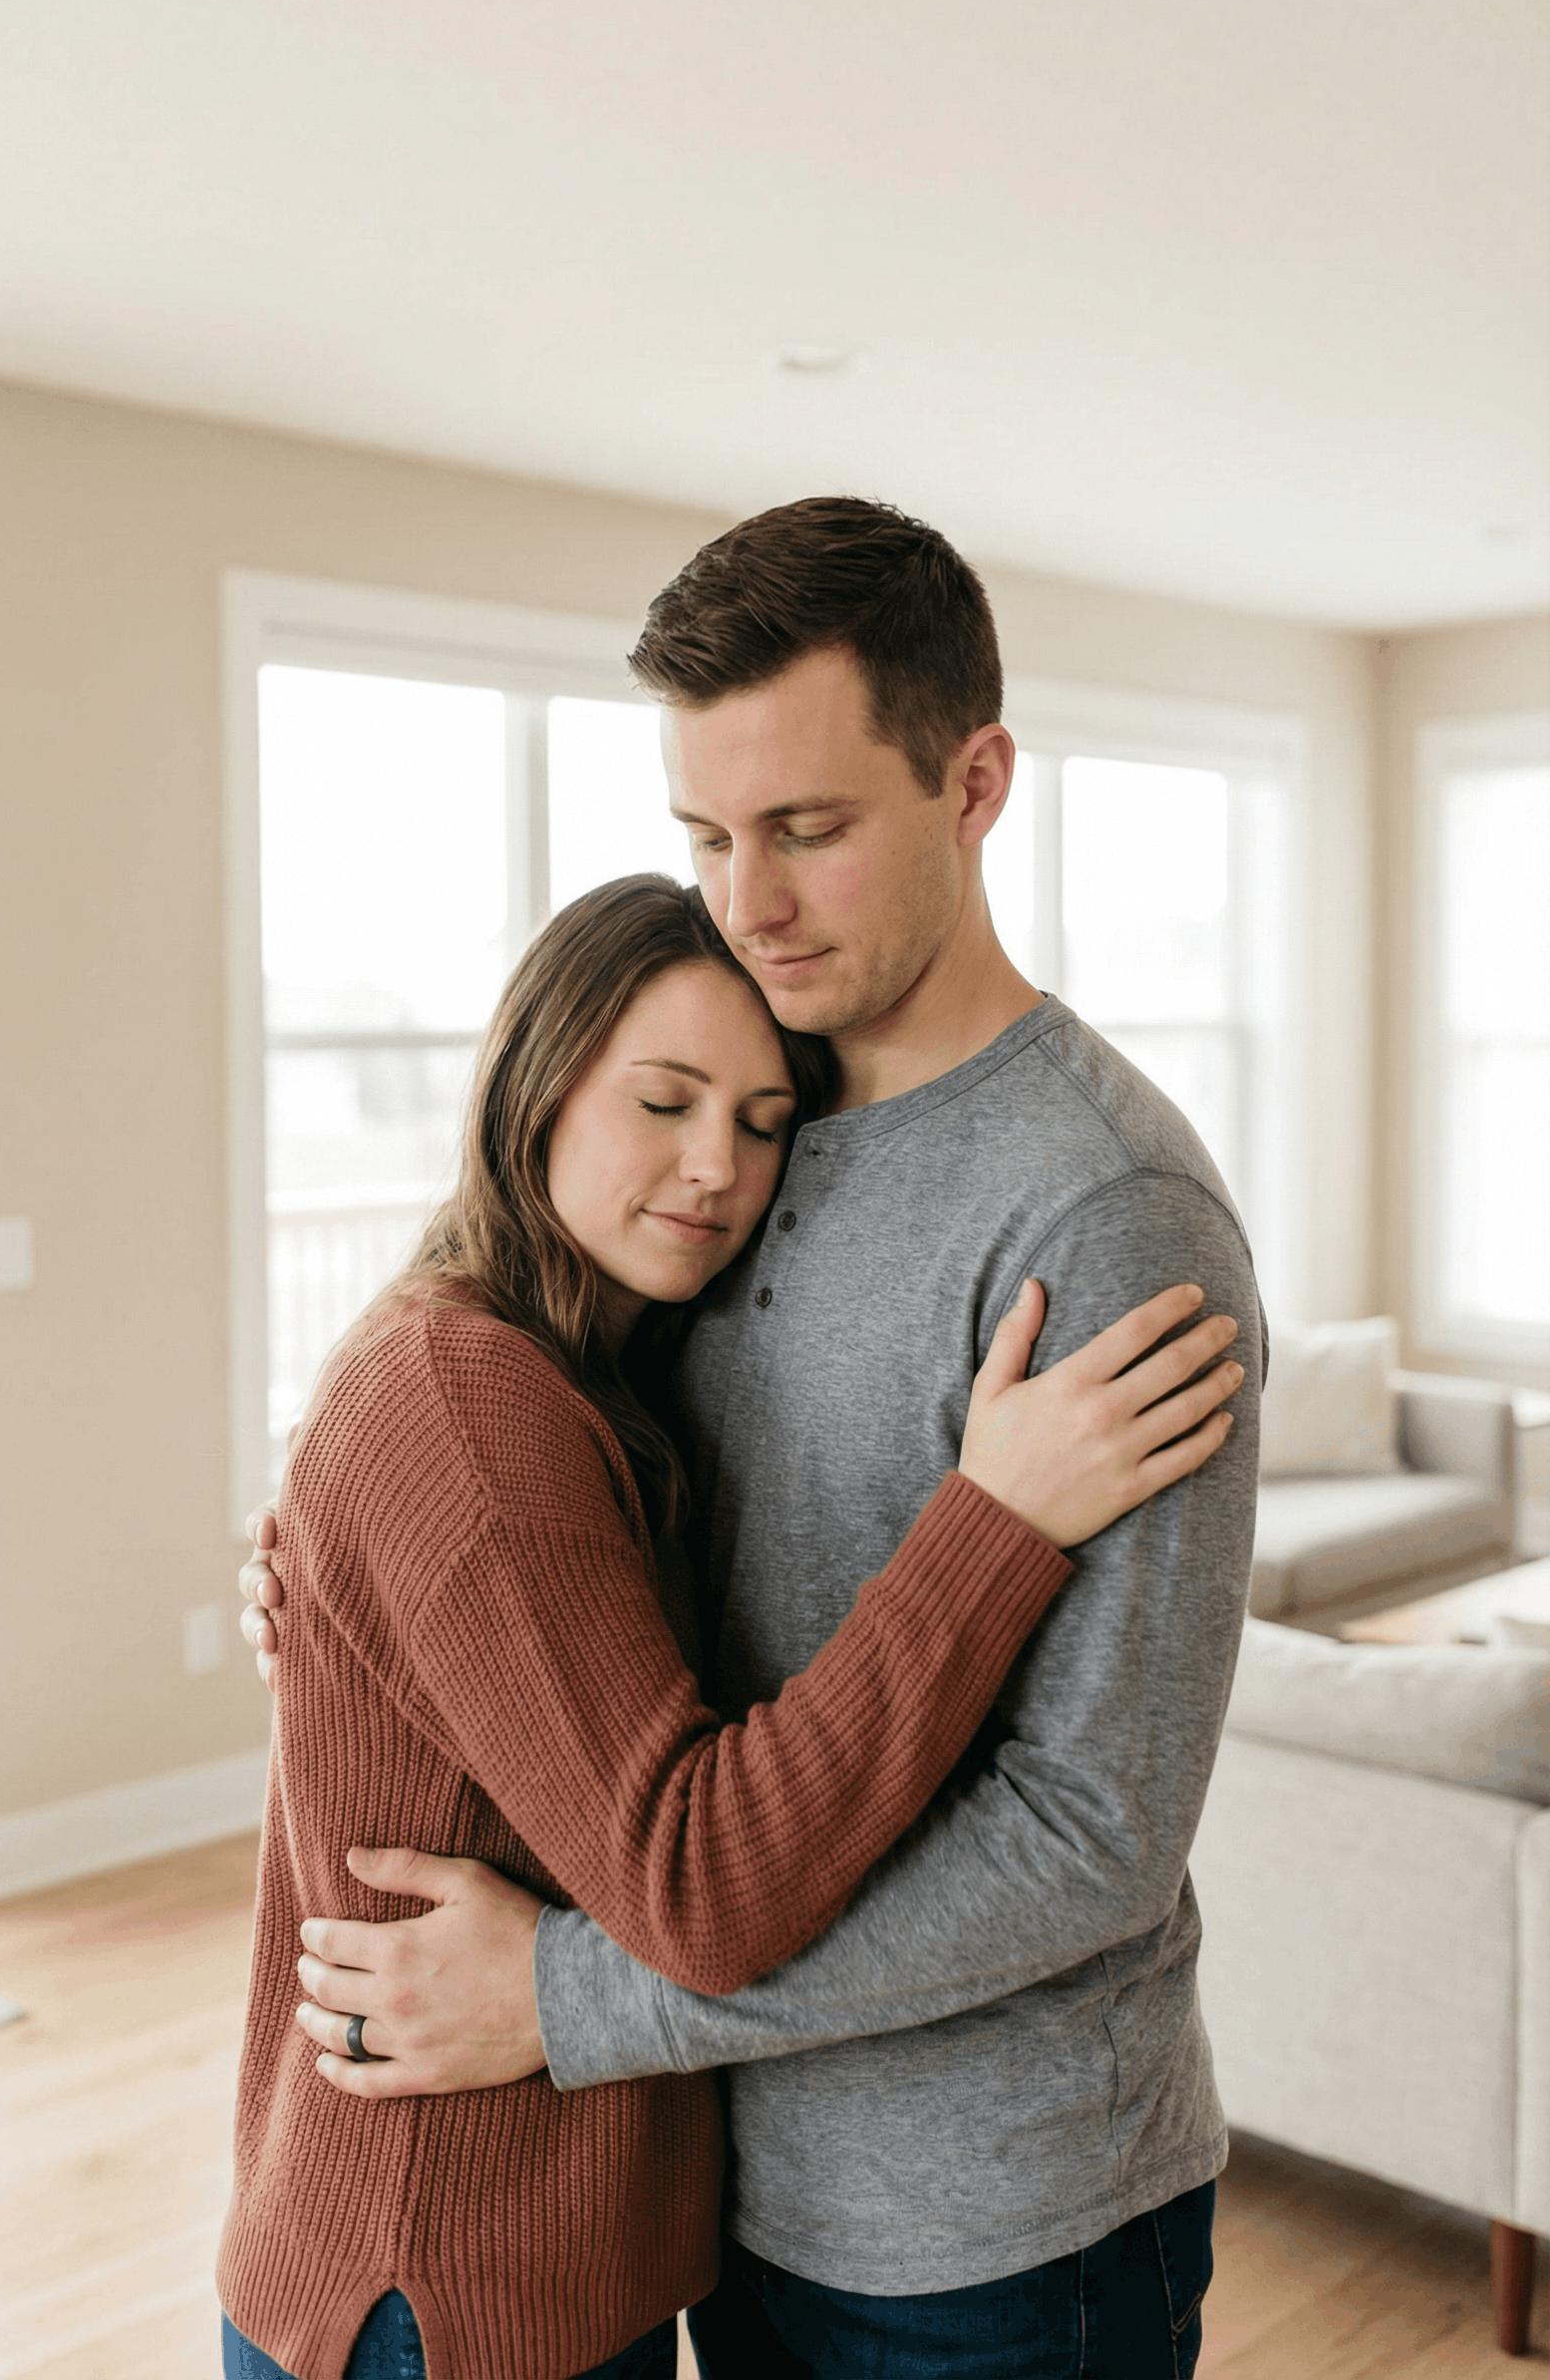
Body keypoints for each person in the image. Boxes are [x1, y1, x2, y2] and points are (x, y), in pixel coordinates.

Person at [241, 497, 1266, 2379]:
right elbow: (593, 1530)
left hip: (992, 2228)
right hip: (715, 2196)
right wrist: (350, 1575)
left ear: (976, 784)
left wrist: (573, 1999)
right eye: (707, 838)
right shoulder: (756, 1123)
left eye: (807, 828)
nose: (751, 901)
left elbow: (1092, 1839)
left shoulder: (1103, 1214)